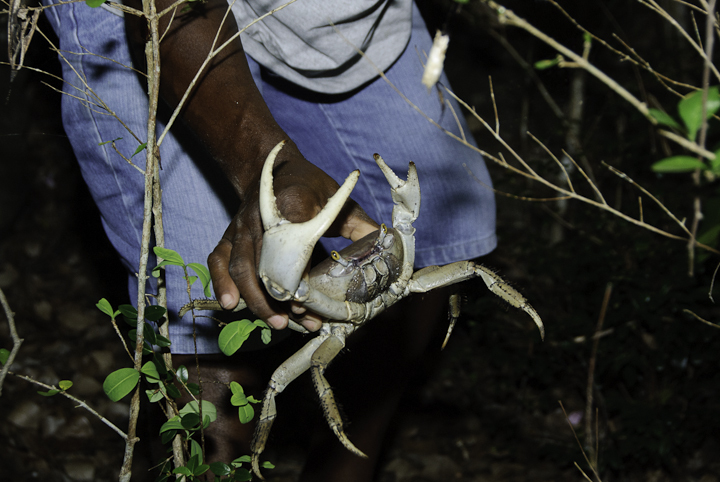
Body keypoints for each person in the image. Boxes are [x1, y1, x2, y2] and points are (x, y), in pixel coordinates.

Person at [43, 0, 496, 480]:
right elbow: (170, 13)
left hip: (323, 14)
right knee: (203, 304)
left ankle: (344, 466)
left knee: (451, 213)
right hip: (151, 12)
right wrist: (265, 163)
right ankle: (225, 468)